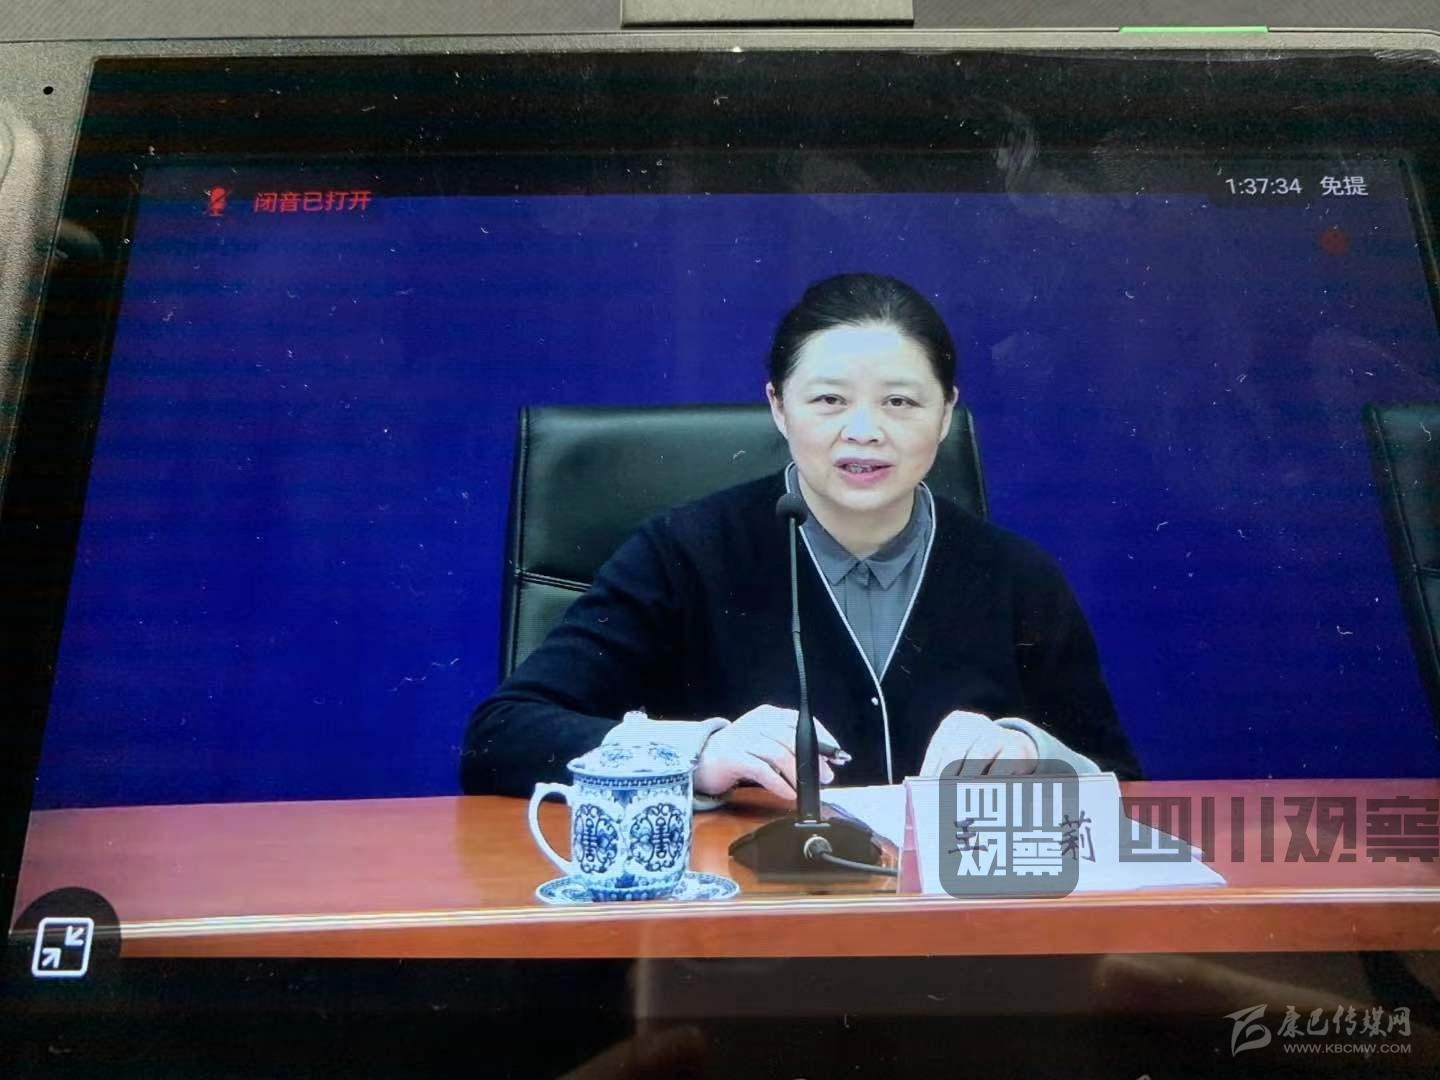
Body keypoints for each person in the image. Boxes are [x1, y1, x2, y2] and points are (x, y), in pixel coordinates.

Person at [461, 273, 1140, 801]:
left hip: (954, 918)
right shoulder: (685, 553)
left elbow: (1122, 783)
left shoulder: (1016, 575)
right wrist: (697, 754)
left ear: (946, 414)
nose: (865, 431)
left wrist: (1030, 752)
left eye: (901, 402)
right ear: (779, 408)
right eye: (829, 400)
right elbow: (501, 736)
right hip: (744, 917)